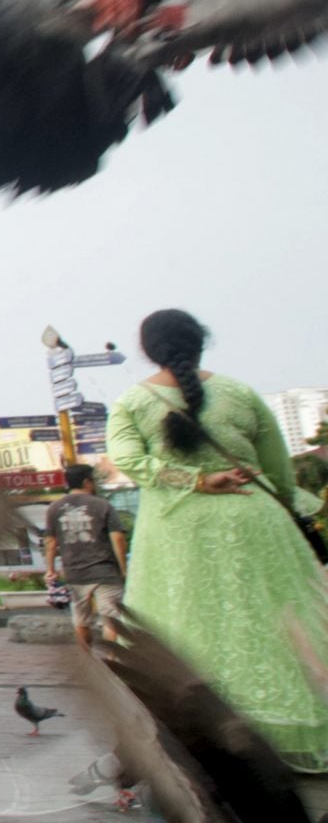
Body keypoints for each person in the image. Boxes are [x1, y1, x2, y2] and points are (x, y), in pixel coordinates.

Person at [109, 308, 328, 776]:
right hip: (256, 519)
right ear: (200, 342)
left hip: (177, 530)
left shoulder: (132, 400)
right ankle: (290, 731)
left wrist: (193, 480)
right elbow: (280, 472)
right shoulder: (239, 392)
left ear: (148, 351)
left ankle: (206, 735)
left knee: (184, 624)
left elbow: (127, 458)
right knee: (279, 622)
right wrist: (285, 508)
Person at [42, 463, 128, 645]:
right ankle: (111, 661)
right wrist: (123, 568)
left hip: (75, 573)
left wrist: (50, 569)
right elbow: (118, 538)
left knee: (81, 620)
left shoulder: (55, 508)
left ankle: (87, 661)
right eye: (93, 480)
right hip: (106, 572)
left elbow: (50, 542)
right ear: (86, 482)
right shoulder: (103, 505)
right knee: (111, 619)